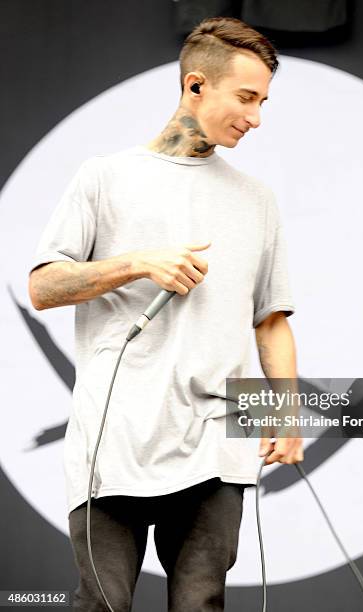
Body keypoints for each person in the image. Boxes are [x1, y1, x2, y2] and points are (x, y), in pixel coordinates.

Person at [28, 16, 303, 612]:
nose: (256, 117)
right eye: (246, 98)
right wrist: (136, 263)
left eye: (263, 102)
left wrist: (285, 414)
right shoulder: (104, 178)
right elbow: (43, 287)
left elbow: (271, 321)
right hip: (113, 438)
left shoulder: (257, 200)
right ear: (196, 85)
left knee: (201, 604)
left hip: (216, 442)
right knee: (101, 606)